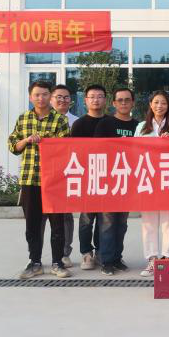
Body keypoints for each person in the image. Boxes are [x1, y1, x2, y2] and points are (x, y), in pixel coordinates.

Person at [8, 80, 71, 279]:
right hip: (30, 179)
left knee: (57, 224)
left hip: (54, 180)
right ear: (30, 97)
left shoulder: (60, 120)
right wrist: (27, 140)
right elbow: (13, 145)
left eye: (44, 94)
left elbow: (65, 147)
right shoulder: (23, 119)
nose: (41, 98)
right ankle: (34, 262)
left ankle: (57, 262)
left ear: (50, 97)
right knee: (32, 224)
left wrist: (45, 141)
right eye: (37, 94)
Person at [91, 86, 138, 276]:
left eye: (127, 100)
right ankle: (106, 260)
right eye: (120, 100)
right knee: (108, 222)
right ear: (114, 103)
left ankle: (117, 258)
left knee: (122, 223)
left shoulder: (138, 126)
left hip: (127, 181)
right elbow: (96, 150)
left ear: (133, 103)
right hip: (108, 180)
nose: (124, 103)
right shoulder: (105, 124)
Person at [134, 90, 169, 278]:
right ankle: (152, 259)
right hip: (147, 178)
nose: (159, 106)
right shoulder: (141, 127)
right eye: (156, 102)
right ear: (150, 104)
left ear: (168, 106)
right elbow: (134, 150)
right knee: (149, 222)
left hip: (168, 177)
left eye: (163, 103)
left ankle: (168, 258)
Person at [68, 84, 109, 271]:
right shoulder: (79, 124)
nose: (96, 100)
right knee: (86, 219)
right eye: (92, 97)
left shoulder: (110, 122)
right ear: (85, 101)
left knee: (104, 219)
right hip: (86, 178)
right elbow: (73, 152)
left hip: (107, 177)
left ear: (105, 100)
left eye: (100, 96)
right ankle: (86, 253)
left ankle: (100, 251)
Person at [53, 83, 79, 265]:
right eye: (58, 97)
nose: (62, 100)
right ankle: (36, 256)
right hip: (46, 174)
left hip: (67, 174)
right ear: (51, 99)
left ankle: (64, 252)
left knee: (65, 216)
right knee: (41, 218)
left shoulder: (76, 122)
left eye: (66, 97)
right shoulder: (41, 121)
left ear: (71, 100)